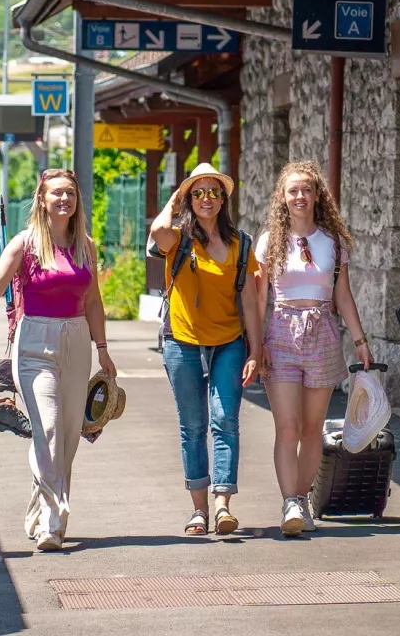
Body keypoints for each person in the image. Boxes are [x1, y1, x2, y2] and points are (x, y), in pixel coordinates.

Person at [0, 169, 115, 551]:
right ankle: (52, 520)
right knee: (46, 429)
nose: (64, 199)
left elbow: (93, 300)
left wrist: (102, 348)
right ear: (42, 200)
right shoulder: (25, 243)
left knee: (66, 437)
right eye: (57, 194)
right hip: (34, 342)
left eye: (70, 193)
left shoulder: (86, 245)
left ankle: (37, 509)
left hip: (77, 339)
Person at [254, 161, 370, 537]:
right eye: (292, 190)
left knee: (311, 428)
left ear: (317, 194)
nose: (300, 196)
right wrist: (256, 346)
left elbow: (344, 295)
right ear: (282, 198)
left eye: (306, 189)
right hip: (281, 332)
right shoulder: (270, 240)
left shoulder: (332, 241)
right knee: (287, 427)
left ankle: (301, 500)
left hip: (322, 332)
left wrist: (360, 341)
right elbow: (258, 300)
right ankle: (289, 501)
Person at [147, 162, 263, 536]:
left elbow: (248, 300)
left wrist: (256, 350)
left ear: (224, 198)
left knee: (225, 421)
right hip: (182, 342)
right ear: (188, 198)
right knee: (193, 427)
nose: (206, 199)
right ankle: (198, 511)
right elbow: (157, 231)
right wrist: (177, 197)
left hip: (229, 342)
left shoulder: (240, 243)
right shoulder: (179, 238)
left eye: (214, 192)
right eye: (198, 193)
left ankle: (223, 505)